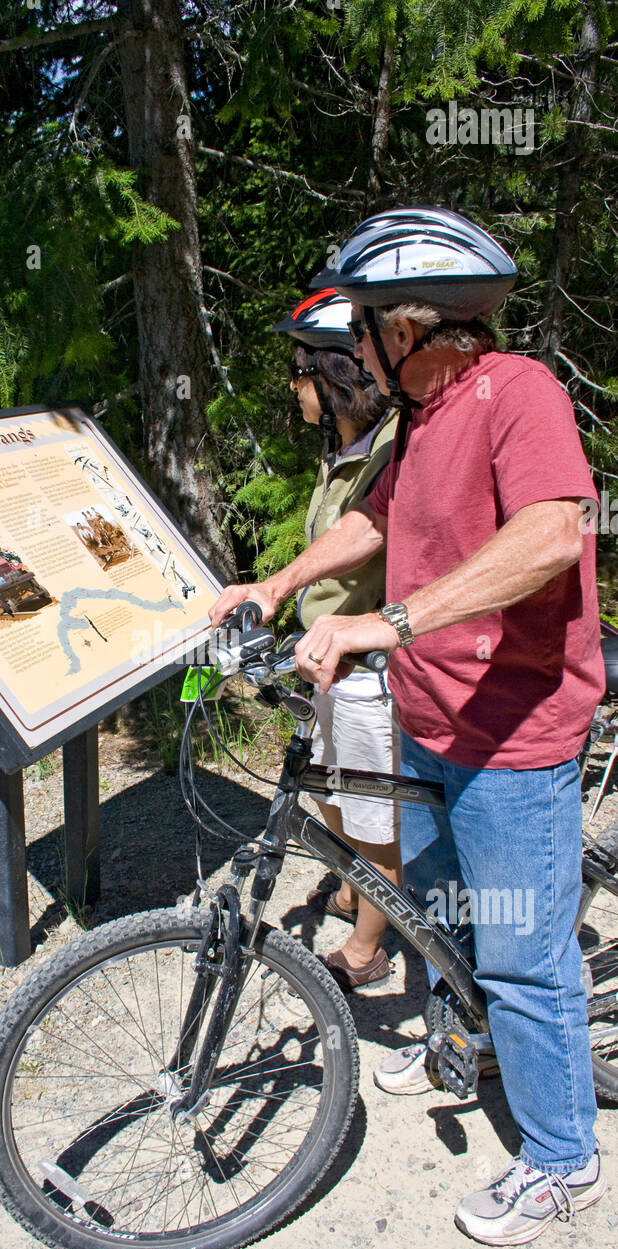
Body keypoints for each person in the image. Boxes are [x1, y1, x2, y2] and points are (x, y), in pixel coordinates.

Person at [209, 206, 606, 1247]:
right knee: (434, 910)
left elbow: (551, 530)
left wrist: (385, 621)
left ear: (409, 330)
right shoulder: (422, 421)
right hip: (431, 712)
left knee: (521, 954)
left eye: (368, 327)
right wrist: (277, 578)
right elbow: (374, 519)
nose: (354, 350)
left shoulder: (517, 394)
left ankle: (562, 1156)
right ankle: (470, 1042)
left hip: (511, 731)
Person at [269, 288, 401, 988]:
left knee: (375, 812)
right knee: (326, 786)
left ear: (333, 372)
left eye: (300, 371)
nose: (294, 388)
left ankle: (367, 948)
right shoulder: (344, 446)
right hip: (322, 662)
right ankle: (353, 886)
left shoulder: (387, 451)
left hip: (367, 665)